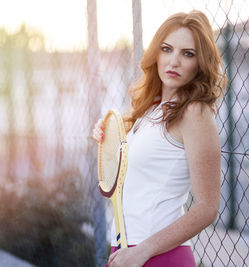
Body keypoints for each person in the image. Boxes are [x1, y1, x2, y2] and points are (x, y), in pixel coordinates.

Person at [92, 10, 226, 267]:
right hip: (123, 252)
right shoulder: (151, 111)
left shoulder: (195, 112)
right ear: (156, 53)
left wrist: (143, 251)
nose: (174, 61)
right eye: (167, 49)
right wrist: (105, 137)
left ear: (200, 63)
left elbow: (208, 207)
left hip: (159, 257)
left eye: (188, 54)